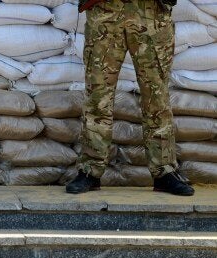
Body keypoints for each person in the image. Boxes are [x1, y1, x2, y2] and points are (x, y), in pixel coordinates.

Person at [67, 0, 195, 196]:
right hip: (105, 10)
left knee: (156, 98)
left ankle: (164, 171)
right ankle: (90, 170)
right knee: (97, 97)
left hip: (151, 12)